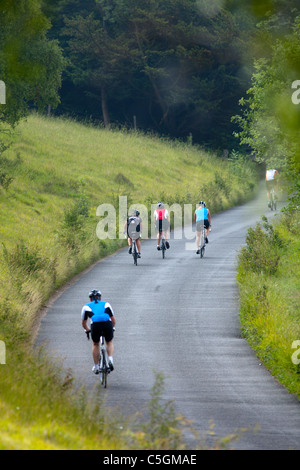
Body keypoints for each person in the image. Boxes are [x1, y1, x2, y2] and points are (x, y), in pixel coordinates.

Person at [81, 289, 116, 375]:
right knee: (109, 342)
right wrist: (113, 328)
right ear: (100, 298)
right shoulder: (106, 304)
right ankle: (110, 359)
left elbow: (84, 323)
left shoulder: (86, 307)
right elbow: (113, 320)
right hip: (107, 324)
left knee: (96, 344)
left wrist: (88, 330)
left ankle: (96, 366)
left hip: (95, 325)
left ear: (90, 299)